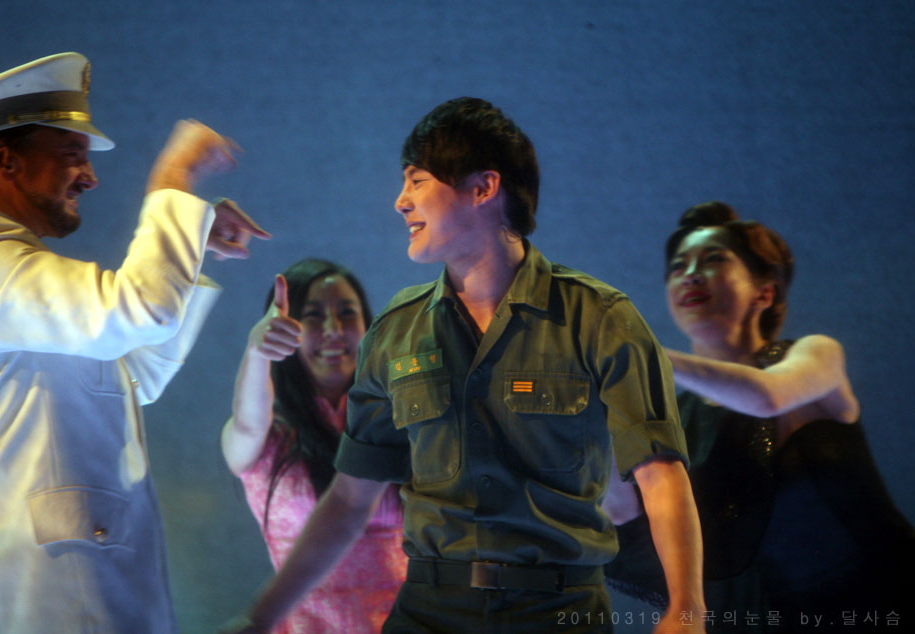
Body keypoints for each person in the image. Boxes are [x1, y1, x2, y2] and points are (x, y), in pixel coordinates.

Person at [221, 97, 705, 634]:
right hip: (428, 610)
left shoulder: (599, 316)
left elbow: (661, 473)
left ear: (483, 187)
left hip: (558, 612)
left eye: (417, 180)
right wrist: (257, 618)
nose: (400, 202)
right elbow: (351, 499)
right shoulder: (396, 331)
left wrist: (687, 610)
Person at [0, 52, 270, 633]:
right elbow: (141, 309)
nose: (89, 176)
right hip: (43, 587)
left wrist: (190, 250)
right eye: (70, 154)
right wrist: (173, 178)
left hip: (76, 576)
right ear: (4, 159)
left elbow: (133, 376)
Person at [607, 201, 915, 631]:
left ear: (764, 293)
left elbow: (767, 397)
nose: (690, 274)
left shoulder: (814, 354)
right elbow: (621, 515)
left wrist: (638, 355)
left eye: (713, 259)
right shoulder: (667, 417)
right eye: (678, 267)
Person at [220, 259, 406, 633]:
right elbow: (248, 421)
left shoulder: (397, 419)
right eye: (313, 316)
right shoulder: (271, 438)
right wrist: (257, 352)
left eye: (347, 313)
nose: (333, 330)